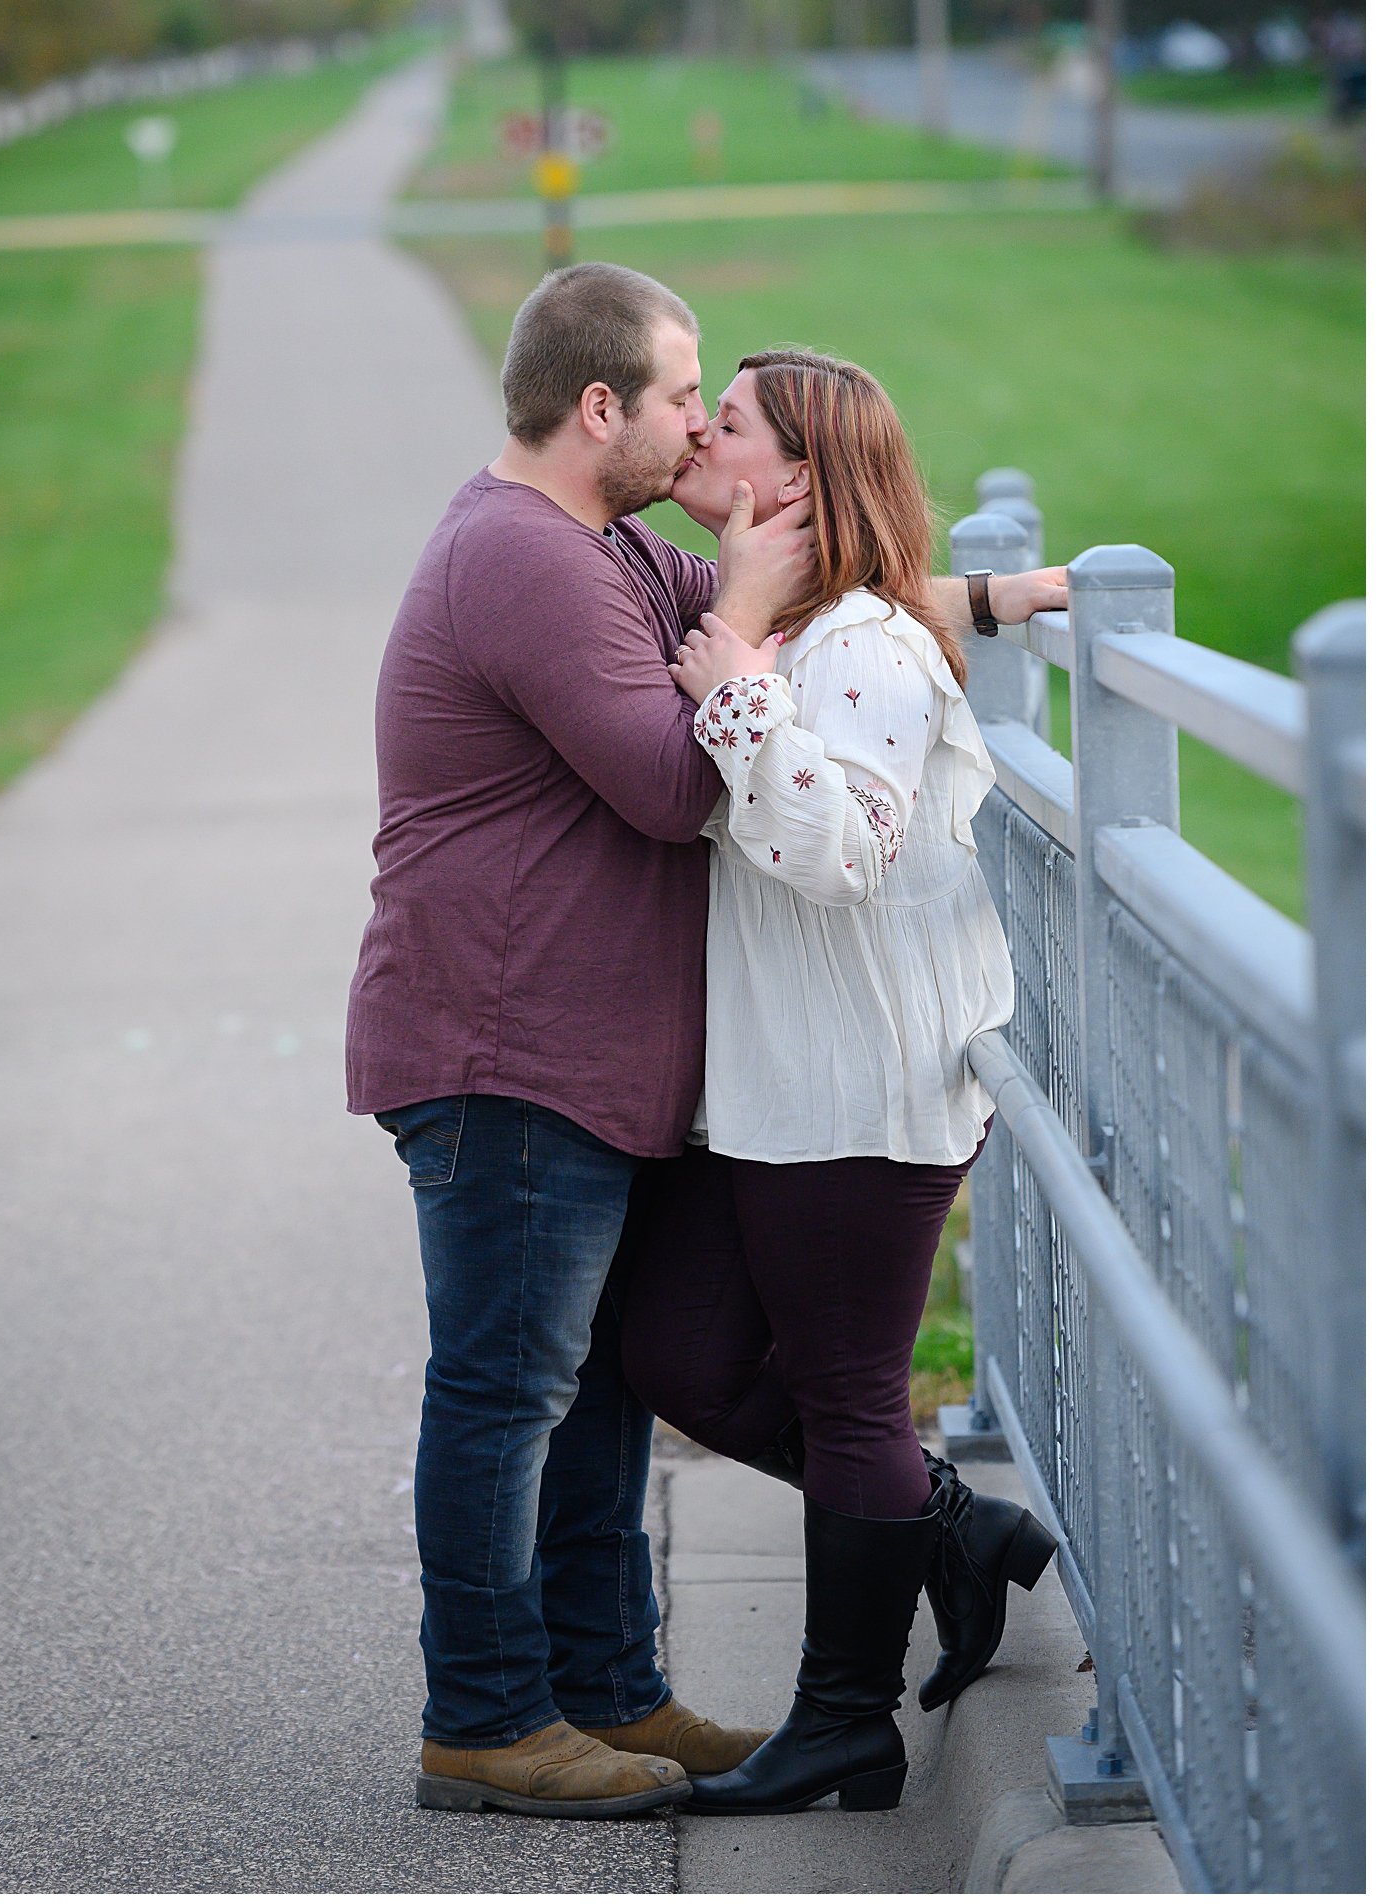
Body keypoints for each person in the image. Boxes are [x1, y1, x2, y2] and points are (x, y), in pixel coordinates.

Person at [345, 265, 1064, 1818]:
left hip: (593, 1060)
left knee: (598, 1379)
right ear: (597, 407)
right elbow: (683, 781)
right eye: (681, 399)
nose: (690, 434)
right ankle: (483, 1717)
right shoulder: (528, 561)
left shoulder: (600, 549)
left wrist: (999, 600)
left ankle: (609, 1691)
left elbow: (819, 608)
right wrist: (737, 616)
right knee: (507, 1391)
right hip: (507, 1045)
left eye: (710, 414)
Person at [618, 348, 1057, 1817]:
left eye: (725, 421)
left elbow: (848, 854)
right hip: (774, 1087)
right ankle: (949, 1530)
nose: (698, 430)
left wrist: (737, 702)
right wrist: (991, 600)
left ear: (792, 478)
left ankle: (842, 1726)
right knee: (675, 1351)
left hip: (864, 1086)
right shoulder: (800, 619)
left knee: (852, 1396)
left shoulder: (850, 644)